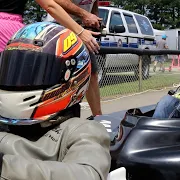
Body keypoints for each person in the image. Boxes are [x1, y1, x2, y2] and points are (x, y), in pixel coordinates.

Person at [0, 22, 110, 179]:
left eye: (36, 73)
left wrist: (5, 167)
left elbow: (87, 174)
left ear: (71, 77)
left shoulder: (80, 130)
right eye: (14, 69)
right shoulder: (4, 124)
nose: (19, 81)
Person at [44, 0, 103, 118]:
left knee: (92, 74)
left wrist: (95, 19)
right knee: (61, 77)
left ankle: (99, 117)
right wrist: (84, 14)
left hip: (82, 30)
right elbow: (57, 2)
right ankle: (53, 116)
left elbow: (94, 5)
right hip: (60, 25)